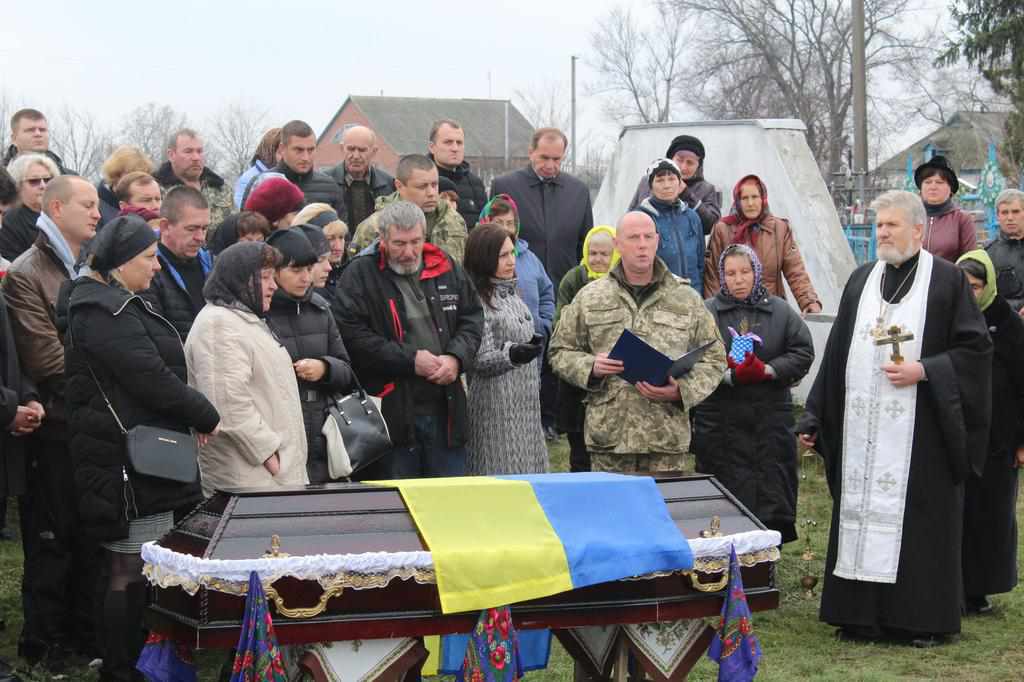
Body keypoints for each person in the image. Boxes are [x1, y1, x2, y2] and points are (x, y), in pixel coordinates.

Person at [795, 190, 992, 647]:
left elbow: (976, 351)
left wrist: (925, 370)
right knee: (859, 517)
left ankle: (919, 621)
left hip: (920, 431)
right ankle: (859, 617)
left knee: (919, 523)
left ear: (918, 230)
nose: (882, 232)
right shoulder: (861, 279)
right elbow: (838, 353)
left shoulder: (946, 282)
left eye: (892, 225)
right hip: (863, 430)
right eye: (879, 224)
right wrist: (814, 415)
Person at [61, 215, 220, 682]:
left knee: (138, 567)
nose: (155, 267)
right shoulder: (101, 312)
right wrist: (203, 413)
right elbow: (150, 377)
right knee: (127, 569)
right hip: (124, 465)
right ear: (120, 262)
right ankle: (120, 668)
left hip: (142, 457)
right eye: (149, 258)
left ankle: (138, 661)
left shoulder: (120, 304)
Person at [3, 175, 101, 668]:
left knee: (87, 537)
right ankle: (44, 646)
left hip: (86, 423)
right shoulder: (28, 272)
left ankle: (84, 638)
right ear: (56, 208)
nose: (98, 214)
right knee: (51, 540)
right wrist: (110, 369)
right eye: (87, 205)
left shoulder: (86, 265)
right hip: (54, 425)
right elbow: (45, 359)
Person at [549, 211, 725, 473]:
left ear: (657, 241)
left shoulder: (686, 298)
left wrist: (682, 391)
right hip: (609, 441)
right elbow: (559, 351)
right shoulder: (590, 297)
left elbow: (715, 357)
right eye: (633, 237)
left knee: (662, 512)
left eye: (647, 237)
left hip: (665, 440)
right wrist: (590, 366)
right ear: (618, 245)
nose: (642, 244)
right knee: (611, 514)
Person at [334, 200, 483, 479]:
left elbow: (472, 318)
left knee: (447, 503)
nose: (409, 252)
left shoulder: (446, 266)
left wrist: (456, 358)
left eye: (415, 242)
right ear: (382, 239)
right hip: (391, 415)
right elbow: (351, 336)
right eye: (399, 243)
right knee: (397, 504)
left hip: (446, 411)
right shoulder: (360, 274)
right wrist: (411, 360)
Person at [692, 244, 814, 543]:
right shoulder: (707, 312)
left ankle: (766, 556)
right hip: (721, 419)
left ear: (757, 273)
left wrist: (768, 370)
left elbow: (802, 351)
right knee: (723, 489)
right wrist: (728, 375)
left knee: (769, 488)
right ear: (722, 276)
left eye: (745, 272)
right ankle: (721, 556)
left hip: (769, 419)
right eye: (731, 273)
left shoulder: (781, 311)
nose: (738, 279)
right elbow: (693, 356)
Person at [186, 241, 309, 496]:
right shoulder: (218, 325)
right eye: (264, 277)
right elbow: (227, 402)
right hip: (250, 479)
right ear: (240, 280)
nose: (274, 285)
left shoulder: (245, 320)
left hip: (266, 478)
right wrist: (268, 454)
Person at [955, 250, 1024, 615]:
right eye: (963, 285)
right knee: (956, 513)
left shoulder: (1008, 324)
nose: (970, 292)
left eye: (976, 286)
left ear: (989, 286)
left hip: (998, 440)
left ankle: (981, 588)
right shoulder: (948, 319)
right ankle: (951, 583)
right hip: (957, 434)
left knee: (990, 515)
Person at [264, 228, 356, 483]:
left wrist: (324, 368)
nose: (305, 278)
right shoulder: (261, 314)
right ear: (274, 272)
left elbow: (347, 370)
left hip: (324, 426)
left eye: (308, 269)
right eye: (296, 271)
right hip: (282, 427)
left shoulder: (320, 308)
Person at [462, 224, 548, 474]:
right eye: (503, 255)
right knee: (501, 475)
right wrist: (512, 355)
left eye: (512, 253)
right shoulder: (478, 301)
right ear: (484, 257)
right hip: (495, 410)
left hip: (527, 406)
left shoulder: (511, 292)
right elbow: (480, 360)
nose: (511, 261)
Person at [491, 127, 594, 289]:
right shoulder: (505, 186)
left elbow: (586, 244)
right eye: (544, 158)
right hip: (518, 286)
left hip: (566, 287)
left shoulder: (579, 191)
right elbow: (492, 240)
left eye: (557, 159)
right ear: (531, 152)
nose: (550, 165)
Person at [704, 174, 822, 314]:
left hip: (770, 311)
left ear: (763, 199)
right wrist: (714, 314)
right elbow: (713, 277)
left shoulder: (779, 229)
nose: (750, 203)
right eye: (745, 198)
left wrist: (808, 300)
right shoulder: (722, 229)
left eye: (755, 197)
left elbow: (795, 270)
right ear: (737, 201)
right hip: (733, 313)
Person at [554, 225, 619, 473]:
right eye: (593, 253)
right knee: (579, 450)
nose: (598, 259)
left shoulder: (620, 280)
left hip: (612, 375)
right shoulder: (574, 279)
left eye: (605, 254)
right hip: (578, 376)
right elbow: (562, 320)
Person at [349, 154, 468, 261]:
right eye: (422, 186)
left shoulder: (454, 221)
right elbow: (357, 276)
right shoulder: (375, 227)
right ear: (399, 186)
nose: (431, 193)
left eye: (434, 185)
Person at [478, 194, 555, 342]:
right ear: (486, 222)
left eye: (510, 223)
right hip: (494, 348)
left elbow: (546, 293)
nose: (505, 229)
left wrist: (544, 325)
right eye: (498, 222)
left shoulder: (530, 258)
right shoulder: (477, 257)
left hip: (534, 344)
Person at [140, 186, 212, 341]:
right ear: (165, 227)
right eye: (191, 229)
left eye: (205, 228)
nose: (200, 237)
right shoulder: (148, 272)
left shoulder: (215, 265)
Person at [627, 134, 721, 234]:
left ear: (698, 166)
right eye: (679, 160)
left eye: (690, 163)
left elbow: (711, 227)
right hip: (647, 245)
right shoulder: (647, 181)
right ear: (670, 158)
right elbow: (630, 217)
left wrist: (687, 195)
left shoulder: (706, 189)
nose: (683, 167)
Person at [636, 158, 705, 292]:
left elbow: (700, 262)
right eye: (660, 180)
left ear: (680, 183)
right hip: (658, 299)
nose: (667, 185)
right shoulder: (641, 218)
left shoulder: (692, 217)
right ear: (651, 186)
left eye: (672, 179)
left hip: (693, 297)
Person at [252, 120, 344, 215]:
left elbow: (342, 228)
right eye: (299, 150)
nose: (306, 157)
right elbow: (248, 227)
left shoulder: (329, 187)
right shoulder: (260, 184)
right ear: (282, 149)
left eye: (311, 150)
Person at [153, 128, 232, 228]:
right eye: (188, 151)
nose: (196, 158)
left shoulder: (222, 189)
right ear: (171, 155)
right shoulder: (155, 190)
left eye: (199, 151)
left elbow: (236, 227)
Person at [325, 125, 395, 228]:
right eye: (351, 149)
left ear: (374, 151)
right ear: (341, 148)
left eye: (362, 150)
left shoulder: (389, 185)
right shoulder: (325, 183)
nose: (356, 156)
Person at [913, 155, 976, 262]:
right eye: (927, 182)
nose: (933, 187)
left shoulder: (961, 219)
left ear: (950, 189)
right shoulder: (910, 217)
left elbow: (970, 261)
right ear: (920, 188)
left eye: (939, 182)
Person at [0, 153, 61, 262]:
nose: (43, 185)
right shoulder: (9, 222)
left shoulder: (64, 213)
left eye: (47, 180)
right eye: (34, 181)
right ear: (18, 185)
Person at [428, 119, 487, 229]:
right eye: (448, 142)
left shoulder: (476, 184)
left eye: (459, 143)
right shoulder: (420, 181)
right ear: (432, 147)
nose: (455, 148)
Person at [292, 203, 348, 299]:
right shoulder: (303, 288)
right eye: (330, 239)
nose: (338, 246)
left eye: (341, 237)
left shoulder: (350, 273)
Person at [984, 188, 1024, 314]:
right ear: (998, 216)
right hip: (1003, 323)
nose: (1010, 217)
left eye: (1016, 212)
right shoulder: (988, 253)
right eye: (1005, 212)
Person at [3, 108, 75, 174]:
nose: (38, 134)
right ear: (14, 138)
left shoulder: (70, 179)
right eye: (30, 130)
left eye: (42, 130)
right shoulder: (3, 177)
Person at [97, 146, 154, 225]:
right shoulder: (97, 209)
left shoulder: (150, 205)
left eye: (141, 176)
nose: (136, 180)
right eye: (132, 175)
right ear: (116, 174)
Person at [234, 127, 282, 209]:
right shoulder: (249, 178)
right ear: (269, 150)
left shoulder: (289, 174)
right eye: (280, 151)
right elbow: (241, 212)